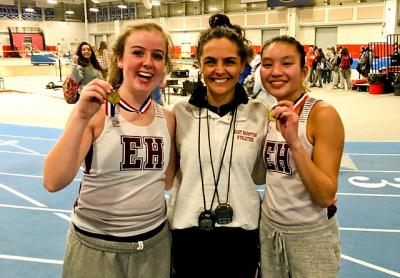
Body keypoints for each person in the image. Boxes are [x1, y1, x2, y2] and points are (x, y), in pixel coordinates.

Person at [43, 22, 176, 278]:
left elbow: (167, 182)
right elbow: (52, 180)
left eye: (157, 56)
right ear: (120, 59)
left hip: (154, 246)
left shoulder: (167, 119)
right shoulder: (94, 112)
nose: (148, 62)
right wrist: (80, 116)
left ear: (164, 65)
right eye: (138, 53)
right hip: (96, 247)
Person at [168, 18, 269, 278]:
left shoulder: (260, 115)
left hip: (242, 236)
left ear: (243, 65)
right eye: (211, 61)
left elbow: (267, 174)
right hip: (187, 234)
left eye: (229, 62)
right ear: (199, 64)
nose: (219, 70)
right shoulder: (179, 113)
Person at [259, 35, 344, 277]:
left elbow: (325, 195)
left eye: (287, 63)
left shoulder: (322, 114)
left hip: (310, 235)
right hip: (269, 230)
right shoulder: (268, 114)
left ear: (304, 71)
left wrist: (295, 142)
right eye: (267, 64)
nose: (276, 72)